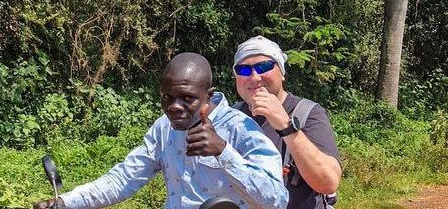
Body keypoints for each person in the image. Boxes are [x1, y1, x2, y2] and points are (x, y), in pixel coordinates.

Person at [33, 52, 288, 209]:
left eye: (187, 98)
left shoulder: (241, 129)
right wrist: (66, 202)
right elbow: (124, 179)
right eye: (167, 97)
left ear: (207, 96)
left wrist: (223, 152)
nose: (174, 107)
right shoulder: (164, 129)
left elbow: (276, 200)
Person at [232, 36, 341, 209]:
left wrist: (286, 126)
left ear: (282, 73)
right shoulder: (231, 117)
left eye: (264, 66)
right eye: (243, 70)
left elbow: (328, 182)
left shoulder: (308, 114)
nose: (254, 77)